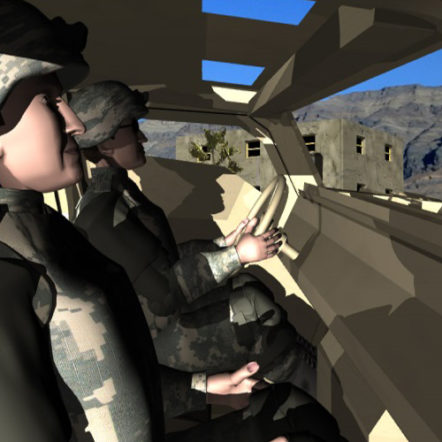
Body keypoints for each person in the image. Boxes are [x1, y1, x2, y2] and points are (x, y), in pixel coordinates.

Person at [0, 2, 346, 441]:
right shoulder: (83, 224)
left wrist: (203, 387)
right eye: (49, 103)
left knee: (294, 408)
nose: (74, 125)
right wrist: (235, 257)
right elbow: (162, 296)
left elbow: (110, 378)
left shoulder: (49, 227)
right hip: (167, 337)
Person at [71, 80, 317, 395]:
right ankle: (303, 387)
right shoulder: (103, 214)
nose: (143, 137)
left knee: (246, 283)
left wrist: (222, 245)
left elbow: (161, 259)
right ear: (106, 143)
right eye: (133, 127)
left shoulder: (118, 192)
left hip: (162, 320)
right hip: (156, 341)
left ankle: (292, 358)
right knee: (254, 310)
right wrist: (237, 256)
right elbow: (163, 296)